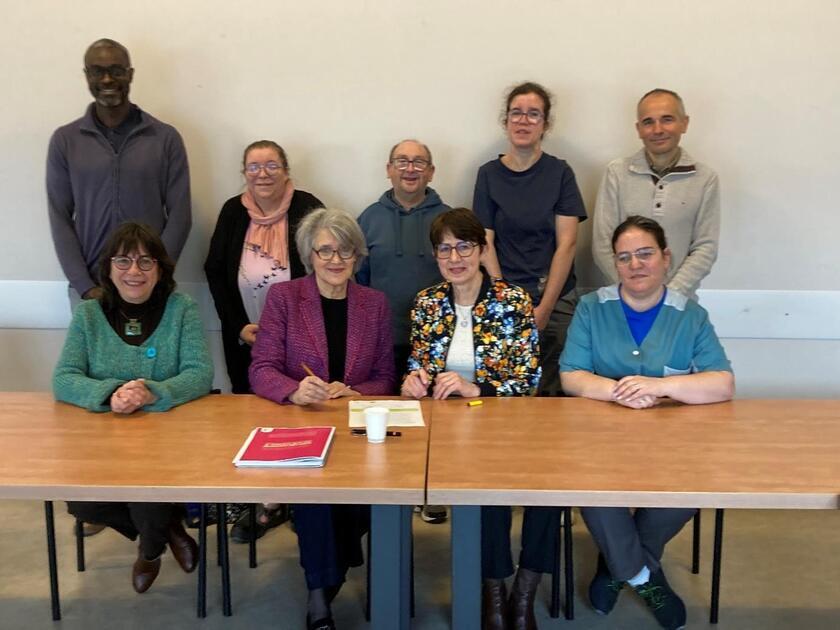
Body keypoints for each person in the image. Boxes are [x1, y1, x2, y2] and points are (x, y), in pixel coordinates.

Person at [560, 215, 734, 630]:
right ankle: (643, 575)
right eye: (624, 257)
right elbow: (571, 375)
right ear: (615, 264)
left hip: (671, 443)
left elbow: (722, 382)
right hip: (601, 438)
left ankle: (617, 562)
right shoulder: (591, 307)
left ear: (665, 258)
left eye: (645, 254)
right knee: (592, 485)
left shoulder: (690, 315)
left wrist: (659, 387)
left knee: (693, 486)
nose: (635, 264)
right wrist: (620, 391)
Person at [249, 208, 394, 629]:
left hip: (358, 428)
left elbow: (386, 376)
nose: (335, 259)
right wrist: (294, 390)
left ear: (357, 255)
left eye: (345, 250)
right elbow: (261, 368)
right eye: (325, 250)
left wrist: (356, 391)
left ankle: (333, 569)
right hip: (304, 425)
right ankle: (319, 596)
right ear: (309, 254)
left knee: (368, 499)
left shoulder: (375, 304)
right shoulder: (284, 298)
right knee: (315, 499)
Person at [401, 208, 544, 630]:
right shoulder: (427, 303)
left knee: (549, 493)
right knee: (485, 493)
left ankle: (525, 592)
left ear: (482, 250)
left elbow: (529, 376)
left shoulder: (512, 300)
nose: (455, 256)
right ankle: (495, 589)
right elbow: (418, 365)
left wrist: (476, 388)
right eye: (445, 248)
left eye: (464, 246)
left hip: (508, 425)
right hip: (448, 432)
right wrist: (413, 381)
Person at [52, 222, 213, 594]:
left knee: (146, 484)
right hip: (101, 443)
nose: (134, 271)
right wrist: (112, 395)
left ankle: (150, 552)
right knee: (82, 504)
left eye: (145, 261)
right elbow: (63, 378)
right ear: (108, 268)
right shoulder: (89, 314)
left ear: (160, 269)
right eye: (123, 260)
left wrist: (153, 393)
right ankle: (170, 528)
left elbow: (199, 373)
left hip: (170, 440)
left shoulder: (181, 308)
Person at [205, 140, 323, 542]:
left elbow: (323, 267)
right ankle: (264, 499)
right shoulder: (231, 211)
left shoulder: (307, 205)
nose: (263, 174)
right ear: (244, 173)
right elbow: (216, 271)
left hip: (301, 337)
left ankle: (298, 498)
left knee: (299, 412)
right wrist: (239, 325)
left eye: (271, 165)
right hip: (245, 334)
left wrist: (290, 331)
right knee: (252, 414)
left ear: (286, 170)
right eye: (254, 167)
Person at [47, 38, 191, 305]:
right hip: (90, 289)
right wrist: (84, 286)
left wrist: (154, 274)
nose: (107, 79)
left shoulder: (165, 138)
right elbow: (60, 218)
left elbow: (181, 215)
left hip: (150, 286)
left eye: (116, 70)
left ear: (130, 74)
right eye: (97, 70)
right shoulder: (65, 140)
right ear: (86, 75)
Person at [356, 138, 450, 525]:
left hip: (434, 342)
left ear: (430, 171)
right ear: (388, 168)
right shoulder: (368, 217)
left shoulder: (447, 218)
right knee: (389, 420)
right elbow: (357, 280)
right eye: (402, 161)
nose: (410, 168)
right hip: (382, 340)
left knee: (434, 421)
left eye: (419, 162)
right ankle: (392, 489)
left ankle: (434, 490)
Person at [473, 81, 586, 397]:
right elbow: (485, 242)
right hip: (502, 298)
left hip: (556, 298)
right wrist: (506, 299)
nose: (523, 121)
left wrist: (545, 307)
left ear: (545, 125)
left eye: (533, 114)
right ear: (505, 120)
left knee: (556, 391)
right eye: (516, 113)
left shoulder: (560, 173)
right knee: (504, 391)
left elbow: (567, 244)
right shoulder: (488, 175)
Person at [591, 89, 720, 299]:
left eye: (667, 119)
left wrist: (669, 295)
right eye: (648, 122)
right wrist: (634, 290)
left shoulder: (705, 179)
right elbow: (603, 244)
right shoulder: (616, 173)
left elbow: (705, 247)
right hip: (623, 303)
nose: (657, 129)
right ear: (639, 129)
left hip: (679, 305)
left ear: (684, 123)